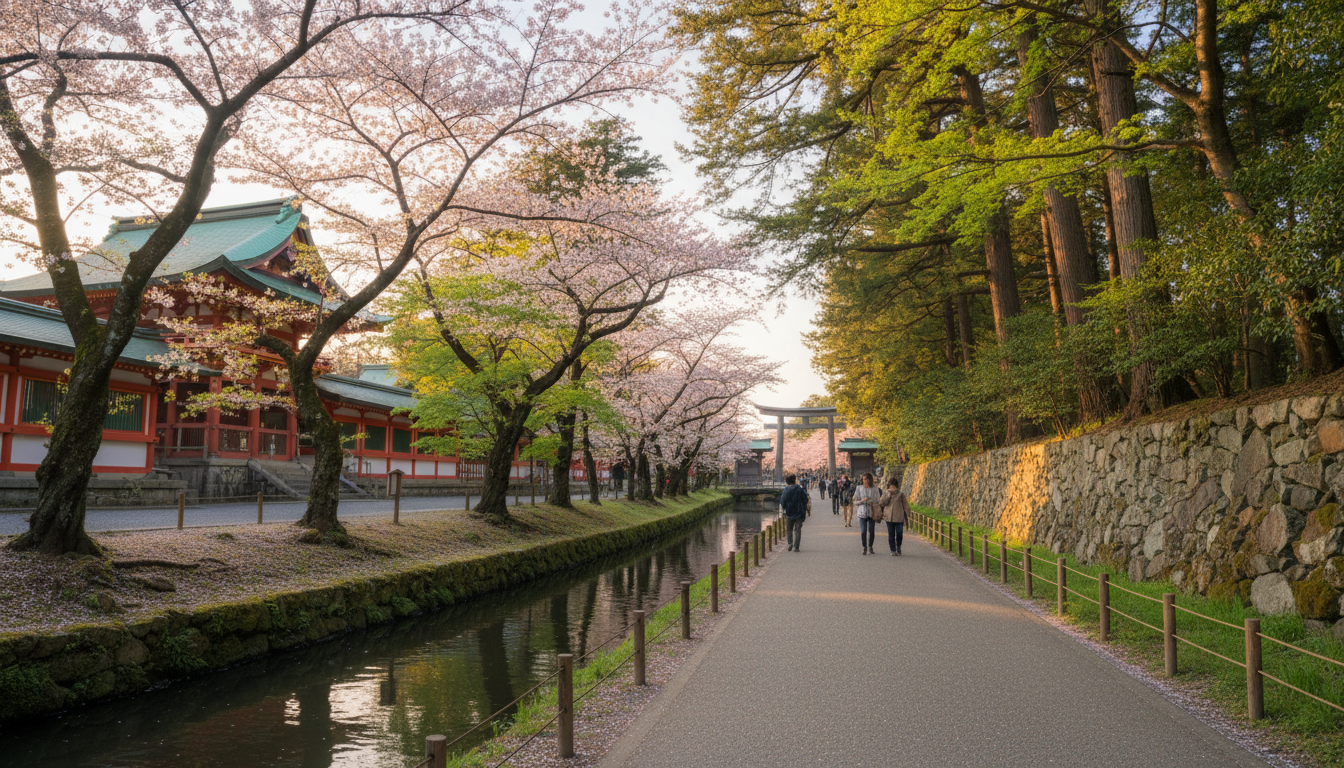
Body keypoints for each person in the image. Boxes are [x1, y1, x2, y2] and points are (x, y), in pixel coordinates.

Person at [879, 477, 911, 556]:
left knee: (899, 533)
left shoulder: (901, 494)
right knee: (891, 534)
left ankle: (898, 547)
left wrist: (908, 514)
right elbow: (881, 503)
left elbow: (905, 505)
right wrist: (888, 495)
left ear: (897, 487)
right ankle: (893, 550)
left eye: (894, 487)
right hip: (888, 518)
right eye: (891, 487)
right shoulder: (885, 494)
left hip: (899, 517)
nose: (892, 489)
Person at [779, 473, 811, 551]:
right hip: (799, 512)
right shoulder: (799, 489)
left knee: (789, 529)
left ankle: (790, 543)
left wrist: (786, 508)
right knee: (797, 530)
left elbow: (782, 501)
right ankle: (796, 547)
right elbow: (805, 499)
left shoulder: (786, 490)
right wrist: (803, 507)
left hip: (790, 512)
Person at [853, 473, 880, 554]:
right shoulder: (859, 488)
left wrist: (871, 501)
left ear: (870, 480)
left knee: (871, 531)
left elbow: (878, 500)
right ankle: (864, 547)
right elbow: (854, 501)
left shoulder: (875, 489)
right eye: (864, 479)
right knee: (863, 531)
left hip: (872, 512)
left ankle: (870, 546)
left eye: (867, 479)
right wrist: (862, 501)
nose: (866, 481)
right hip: (862, 512)